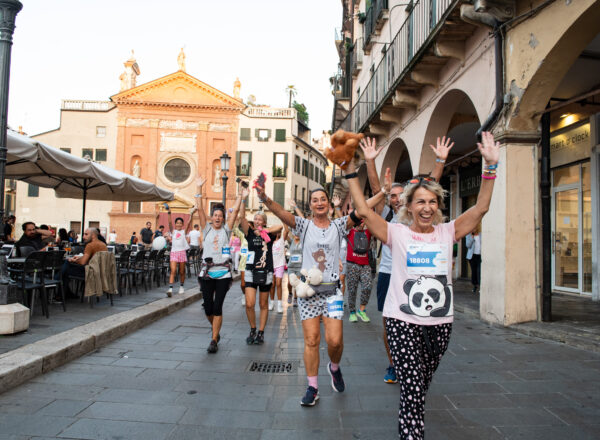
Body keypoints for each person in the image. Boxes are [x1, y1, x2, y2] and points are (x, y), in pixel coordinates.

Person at [346, 132, 499, 439]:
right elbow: (363, 211)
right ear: (409, 207)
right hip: (401, 321)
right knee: (413, 389)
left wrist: (490, 167)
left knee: (419, 388)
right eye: (420, 202)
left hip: (439, 324)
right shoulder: (396, 234)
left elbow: (481, 208)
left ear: (438, 205)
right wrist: (351, 169)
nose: (427, 207)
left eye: (432, 201)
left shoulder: (447, 232)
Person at [254, 178, 385, 407]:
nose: (319, 203)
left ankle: (334, 368)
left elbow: (362, 209)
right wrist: (264, 197)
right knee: (312, 340)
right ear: (311, 206)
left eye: (323, 199)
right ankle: (313, 387)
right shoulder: (303, 226)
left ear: (329, 204)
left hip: (332, 292)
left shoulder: (339, 225)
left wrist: (383, 191)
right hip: (308, 294)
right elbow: (283, 213)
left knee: (335, 341)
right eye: (315, 200)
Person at [361, 135, 453, 384]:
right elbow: (374, 187)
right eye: (393, 194)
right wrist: (371, 163)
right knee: (388, 320)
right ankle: (394, 363)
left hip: (417, 273)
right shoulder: (386, 214)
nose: (397, 198)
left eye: (401, 194)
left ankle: (416, 360)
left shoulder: (417, 211)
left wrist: (439, 161)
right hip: (390, 273)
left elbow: (431, 185)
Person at [196, 177, 244, 353]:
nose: (217, 218)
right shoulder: (206, 229)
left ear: (223, 219)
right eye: (215, 215)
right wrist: (198, 188)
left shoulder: (226, 229)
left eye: (220, 216)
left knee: (217, 307)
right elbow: (200, 208)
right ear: (211, 218)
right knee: (208, 307)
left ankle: (214, 339)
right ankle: (215, 329)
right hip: (207, 273)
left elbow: (236, 210)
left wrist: (240, 196)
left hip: (223, 273)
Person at [238, 195, 282, 344]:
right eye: (255, 219)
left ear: (263, 221)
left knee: (263, 304)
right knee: (250, 303)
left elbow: (280, 227)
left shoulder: (269, 234)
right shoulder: (249, 233)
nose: (257, 221)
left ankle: (261, 332)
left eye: (259, 219)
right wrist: (243, 200)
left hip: (266, 272)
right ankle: (253, 328)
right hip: (251, 271)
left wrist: (264, 231)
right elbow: (241, 218)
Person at [61, 228, 108, 298]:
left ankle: (60, 293)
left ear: (93, 236)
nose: (83, 237)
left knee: (65, 269)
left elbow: (83, 262)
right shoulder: (103, 245)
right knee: (65, 269)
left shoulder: (90, 245)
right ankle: (65, 293)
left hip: (90, 273)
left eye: (86, 234)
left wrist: (73, 260)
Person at [345, 218, 373, 323]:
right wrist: (337, 208)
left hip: (365, 265)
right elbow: (345, 223)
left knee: (368, 286)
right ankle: (352, 312)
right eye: (362, 222)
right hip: (352, 264)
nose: (363, 224)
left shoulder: (368, 232)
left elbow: (374, 221)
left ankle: (361, 310)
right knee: (352, 289)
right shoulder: (350, 232)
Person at [165, 206, 196, 297]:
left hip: (182, 252)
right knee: (173, 270)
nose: (178, 224)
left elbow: (189, 223)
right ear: (175, 224)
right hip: (174, 253)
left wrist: (191, 214)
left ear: (182, 225)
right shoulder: (173, 231)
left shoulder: (183, 231)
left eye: (180, 223)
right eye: (177, 223)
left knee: (182, 271)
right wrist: (169, 212)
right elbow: (170, 222)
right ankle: (170, 289)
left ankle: (181, 287)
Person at [269, 226, 287, 314]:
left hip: (279, 265)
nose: (277, 233)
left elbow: (286, 230)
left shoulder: (281, 241)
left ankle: (280, 304)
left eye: (278, 232)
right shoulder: (269, 241)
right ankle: (272, 302)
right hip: (271, 265)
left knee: (279, 283)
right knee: (272, 285)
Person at [465, 223, 482, 293]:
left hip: (479, 255)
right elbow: (468, 245)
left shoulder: (481, 235)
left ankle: (480, 286)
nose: (473, 229)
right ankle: (475, 285)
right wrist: (472, 237)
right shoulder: (468, 235)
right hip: (472, 256)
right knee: (474, 272)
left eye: (474, 228)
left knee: (479, 272)